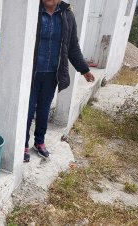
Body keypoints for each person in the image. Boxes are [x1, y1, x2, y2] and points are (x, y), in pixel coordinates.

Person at [24, 0, 95, 162]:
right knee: (27, 110)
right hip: (31, 73)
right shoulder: (33, 11)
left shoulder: (67, 15)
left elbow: (72, 46)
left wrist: (84, 69)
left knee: (43, 110)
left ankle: (39, 142)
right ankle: (22, 143)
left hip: (52, 74)